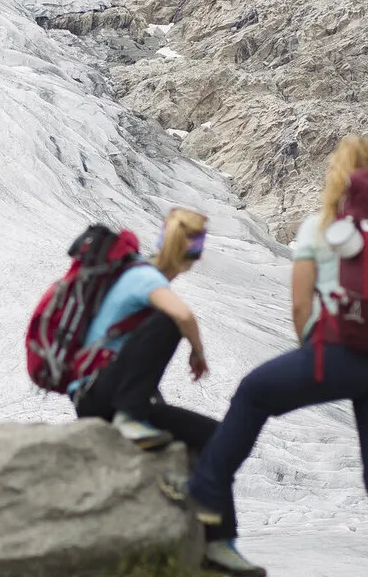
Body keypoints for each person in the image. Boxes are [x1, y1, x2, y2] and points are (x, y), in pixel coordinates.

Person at [167, 136, 368, 577]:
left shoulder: (323, 227)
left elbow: (301, 304)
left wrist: (315, 357)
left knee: (254, 392)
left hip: (339, 352)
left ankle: (205, 493)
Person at [70, 208, 255, 575]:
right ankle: (129, 418)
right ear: (194, 255)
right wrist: (198, 353)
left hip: (117, 393)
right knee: (169, 323)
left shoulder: (144, 277)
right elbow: (183, 317)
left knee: (216, 436)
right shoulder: (142, 276)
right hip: (98, 394)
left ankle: (218, 542)